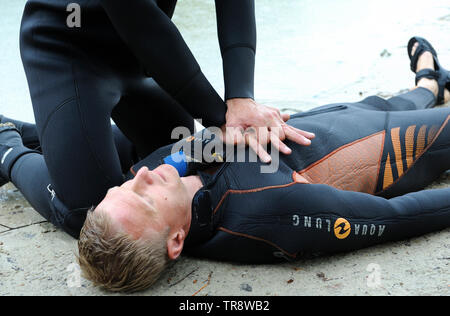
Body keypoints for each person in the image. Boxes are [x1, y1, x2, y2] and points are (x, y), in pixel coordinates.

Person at [1, 37, 450, 292]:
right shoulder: (264, 212)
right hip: (398, 144)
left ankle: (430, 79)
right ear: (176, 242)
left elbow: (206, 144)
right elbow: (396, 217)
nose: (139, 174)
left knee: (407, 96)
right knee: (418, 114)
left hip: (332, 115)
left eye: (120, 188)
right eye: (145, 197)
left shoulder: (172, 176)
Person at [16, 0, 314, 237]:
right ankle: (8, 146)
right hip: (68, 48)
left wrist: (240, 97)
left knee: (182, 153)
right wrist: (220, 119)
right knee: (96, 215)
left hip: (138, 58)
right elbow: (139, 20)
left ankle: (45, 136)